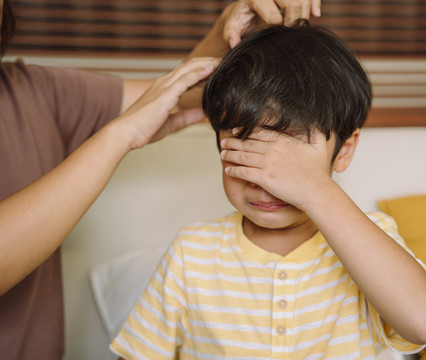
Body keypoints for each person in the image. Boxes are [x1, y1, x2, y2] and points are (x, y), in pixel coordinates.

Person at [0, 1, 322, 359]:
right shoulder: (191, 253)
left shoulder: (33, 89)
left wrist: (227, 31)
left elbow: (173, 99)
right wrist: (118, 136)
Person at [110, 20, 426, 359]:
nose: (266, 179)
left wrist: (314, 190)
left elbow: (424, 324)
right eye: (246, 150)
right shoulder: (191, 253)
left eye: (290, 159)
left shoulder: (371, 238)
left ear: (344, 150)